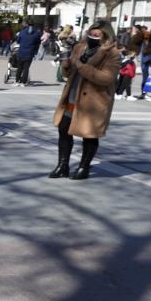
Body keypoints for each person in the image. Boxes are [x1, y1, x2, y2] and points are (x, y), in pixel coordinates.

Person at [49, 20, 120, 181]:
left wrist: (81, 66)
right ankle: (62, 165)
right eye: (91, 32)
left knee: (89, 135)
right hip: (73, 95)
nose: (92, 36)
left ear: (106, 35)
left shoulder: (112, 54)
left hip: (93, 102)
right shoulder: (80, 47)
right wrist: (66, 65)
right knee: (63, 129)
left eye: (97, 34)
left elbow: (106, 78)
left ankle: (84, 167)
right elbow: (69, 74)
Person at [13, 19, 41, 86]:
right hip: (30, 52)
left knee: (20, 67)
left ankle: (17, 81)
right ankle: (23, 82)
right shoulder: (37, 33)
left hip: (21, 52)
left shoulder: (22, 32)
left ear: (27, 24)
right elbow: (38, 42)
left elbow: (18, 41)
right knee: (26, 68)